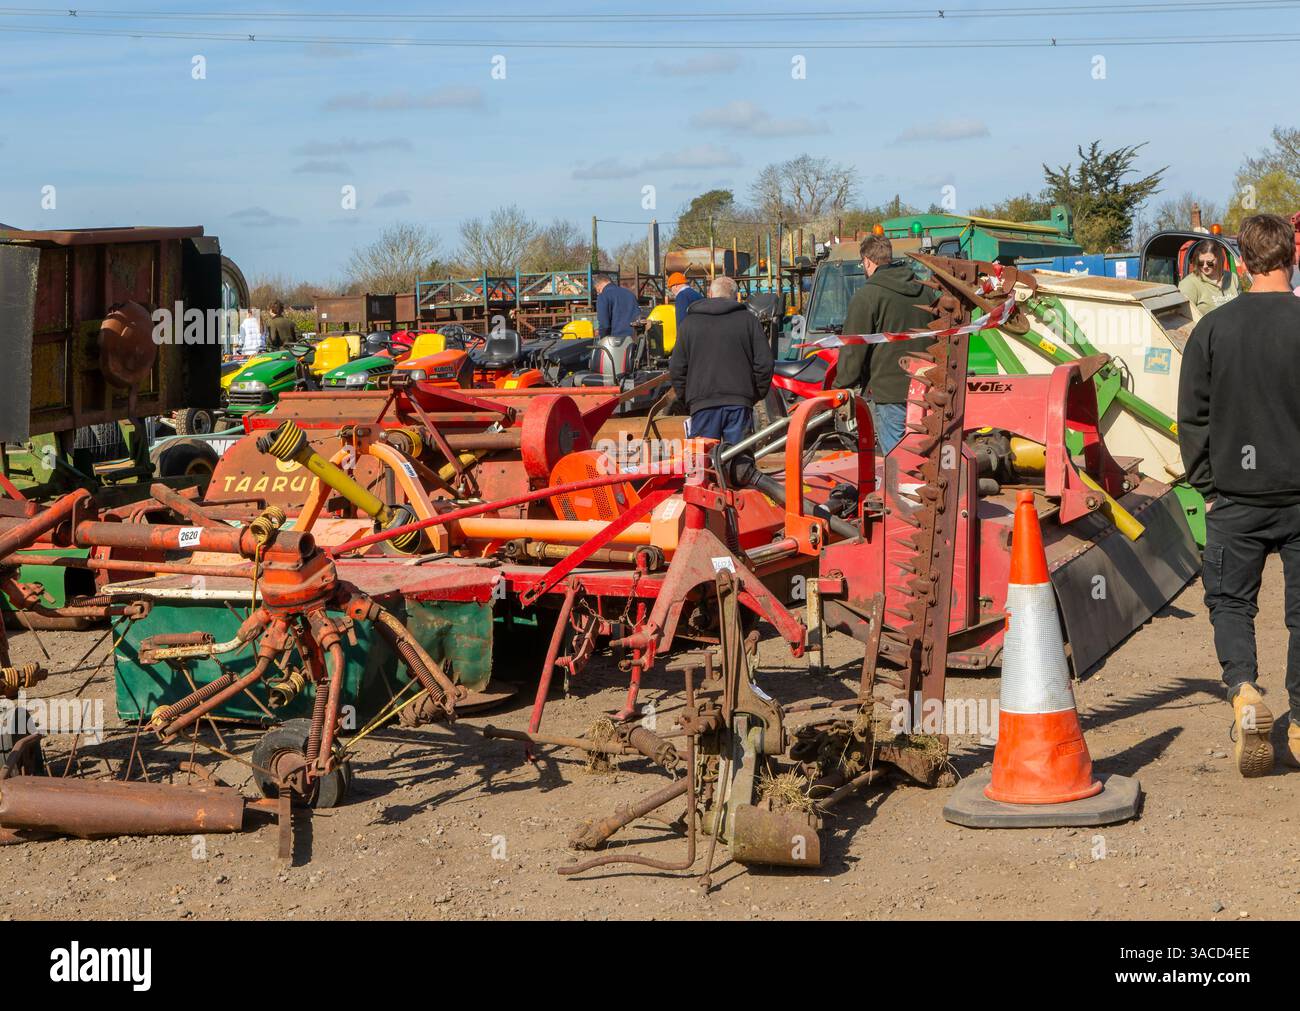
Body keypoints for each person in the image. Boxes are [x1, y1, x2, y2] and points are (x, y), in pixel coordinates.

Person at [1177, 213, 1300, 778]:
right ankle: (1299, 724)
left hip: (1236, 495)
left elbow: (1193, 418)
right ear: (1291, 258)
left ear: (1240, 263)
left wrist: (1208, 483)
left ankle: (1246, 692)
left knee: (1230, 603)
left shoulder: (1213, 328)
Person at [831, 234, 937, 454]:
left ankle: (900, 488)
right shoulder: (926, 292)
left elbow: (854, 347)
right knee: (924, 454)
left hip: (889, 392)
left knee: (897, 458)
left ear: (868, 261)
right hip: (926, 388)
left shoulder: (867, 295)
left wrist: (841, 387)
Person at [669, 275, 774, 445]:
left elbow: (676, 368)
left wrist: (688, 398)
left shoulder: (689, 324)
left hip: (702, 404)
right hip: (739, 405)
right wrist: (753, 395)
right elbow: (765, 363)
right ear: (735, 296)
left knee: (705, 464)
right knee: (740, 462)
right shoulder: (749, 321)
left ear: (709, 293)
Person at [1179, 239, 1241, 321]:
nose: (1205, 266)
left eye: (1209, 263)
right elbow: (1183, 318)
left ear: (1219, 259)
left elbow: (1241, 308)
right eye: (1201, 262)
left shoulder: (1233, 278)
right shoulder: (1189, 283)